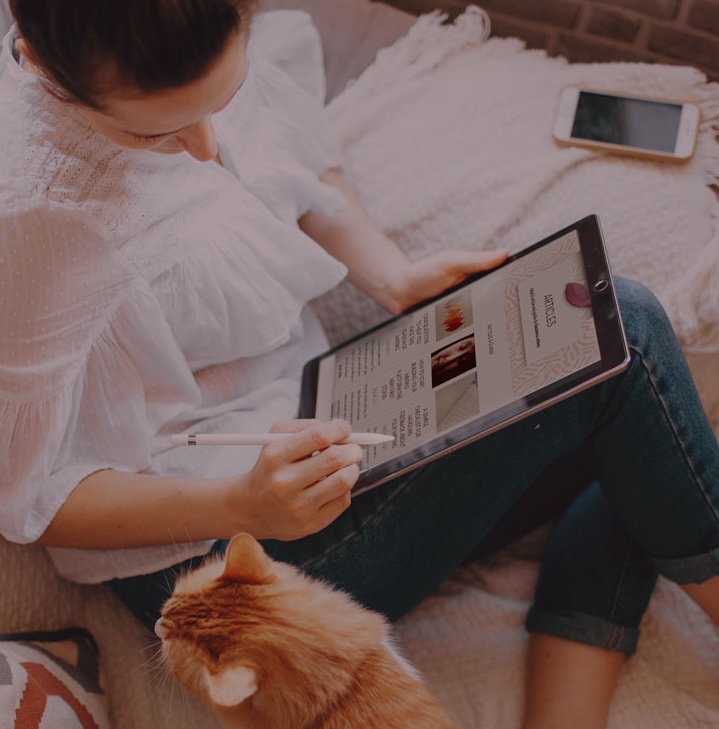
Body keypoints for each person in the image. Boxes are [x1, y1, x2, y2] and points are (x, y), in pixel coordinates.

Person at [1, 2, 718, 727]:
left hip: (326, 415)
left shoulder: (197, 40)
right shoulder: (32, 221)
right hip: (228, 558)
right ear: (35, 54)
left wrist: (391, 277)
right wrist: (242, 505)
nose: (204, 146)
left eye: (222, 100)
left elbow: (294, 162)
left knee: (610, 395)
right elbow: (32, 499)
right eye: (151, 132)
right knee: (621, 335)